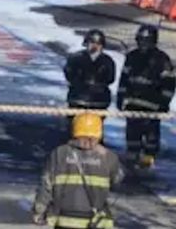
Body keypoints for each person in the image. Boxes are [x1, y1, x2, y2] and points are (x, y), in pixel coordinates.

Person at [31, 113, 124, 227]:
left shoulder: (59, 153)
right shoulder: (108, 157)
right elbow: (118, 182)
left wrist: (39, 211)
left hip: (64, 220)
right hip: (95, 222)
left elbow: (46, 185)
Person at [117, 24, 176, 169]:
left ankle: (148, 159)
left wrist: (163, 103)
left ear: (153, 41)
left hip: (153, 106)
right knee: (132, 133)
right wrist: (121, 97)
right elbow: (124, 79)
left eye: (146, 41)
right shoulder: (132, 57)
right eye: (141, 40)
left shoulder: (163, 60)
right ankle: (132, 158)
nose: (142, 44)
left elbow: (169, 84)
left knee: (151, 135)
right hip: (133, 104)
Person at [64, 30, 116, 113]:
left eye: (98, 44)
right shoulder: (76, 58)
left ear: (102, 45)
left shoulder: (108, 61)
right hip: (78, 99)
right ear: (86, 43)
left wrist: (97, 85)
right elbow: (69, 74)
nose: (95, 46)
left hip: (99, 101)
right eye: (92, 42)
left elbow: (110, 79)